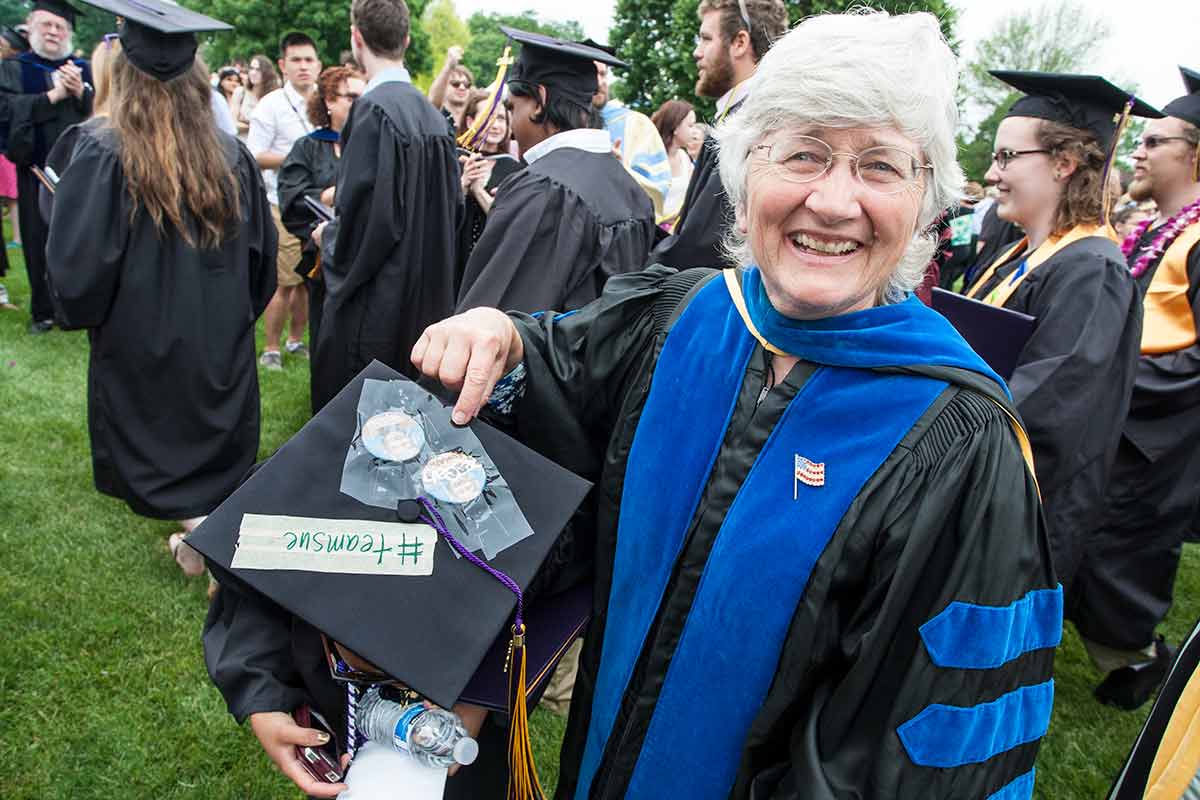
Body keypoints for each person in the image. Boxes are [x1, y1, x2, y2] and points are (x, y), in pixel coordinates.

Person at [414, 12, 1057, 799]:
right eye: (803, 153)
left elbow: (915, 765)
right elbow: (551, 378)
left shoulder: (961, 449)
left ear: (927, 199)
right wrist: (501, 335)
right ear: (747, 167)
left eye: (881, 166)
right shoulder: (678, 321)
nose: (832, 200)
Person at [42, 0, 275, 578]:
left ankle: (227, 559)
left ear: (122, 70)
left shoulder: (100, 150)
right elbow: (261, 269)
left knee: (172, 470)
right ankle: (199, 552)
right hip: (219, 349)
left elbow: (76, 282)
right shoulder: (232, 155)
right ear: (197, 77)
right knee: (211, 468)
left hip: (142, 352)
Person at [964, 71, 1156, 598]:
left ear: (1064, 163)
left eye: (1006, 157)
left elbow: (1048, 409)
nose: (991, 171)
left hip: (1018, 503)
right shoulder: (1021, 252)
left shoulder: (1094, 272)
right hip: (975, 474)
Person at [1074, 66, 1200, 710]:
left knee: (1118, 551)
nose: (1139, 151)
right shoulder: (1155, 228)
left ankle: (1144, 658)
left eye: (1157, 141)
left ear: (1196, 154)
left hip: (1158, 434)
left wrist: (1114, 376)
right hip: (1120, 419)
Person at [307, 0, 462, 413]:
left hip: (377, 304)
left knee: (360, 418)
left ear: (356, 38)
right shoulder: (432, 116)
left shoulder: (374, 111)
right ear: (406, 39)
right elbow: (454, 212)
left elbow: (365, 220)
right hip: (425, 298)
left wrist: (330, 237)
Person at [455, 28, 655, 314]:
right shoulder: (632, 191)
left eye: (513, 107)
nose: (512, 128)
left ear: (539, 100)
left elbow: (488, 322)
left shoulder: (541, 189)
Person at [649, 0, 787, 270]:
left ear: (739, 43)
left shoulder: (752, 124)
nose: (696, 53)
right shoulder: (742, 115)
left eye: (705, 39)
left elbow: (702, 248)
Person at [0, 0, 92, 333]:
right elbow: (6, 112)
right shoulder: (14, 68)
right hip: (35, 170)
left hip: (79, 172)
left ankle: (75, 308)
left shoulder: (83, 67)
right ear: (31, 26)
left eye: (60, 27)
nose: (54, 32)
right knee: (39, 241)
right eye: (47, 25)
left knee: (78, 242)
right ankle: (43, 311)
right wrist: (52, 96)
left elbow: (101, 112)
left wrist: (79, 90)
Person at [277, 64, 365, 398]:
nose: (359, 104)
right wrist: (328, 195)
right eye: (351, 97)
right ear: (329, 101)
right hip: (324, 260)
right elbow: (291, 197)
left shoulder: (372, 144)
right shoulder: (309, 147)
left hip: (364, 257)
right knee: (328, 337)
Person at [247, 31, 320, 370]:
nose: (304, 67)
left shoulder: (324, 100)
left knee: (308, 280)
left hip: (318, 207)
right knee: (284, 284)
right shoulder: (271, 104)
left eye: (309, 60)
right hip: (281, 204)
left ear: (318, 64)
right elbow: (254, 155)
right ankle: (271, 348)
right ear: (283, 65)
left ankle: (296, 340)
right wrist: (298, 156)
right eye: (296, 60)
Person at [455, 88, 522, 293]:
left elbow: (510, 222)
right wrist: (463, 185)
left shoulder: (514, 168)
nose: (496, 125)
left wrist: (478, 191)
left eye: (501, 118)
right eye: (488, 117)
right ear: (469, 122)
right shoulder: (454, 159)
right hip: (454, 259)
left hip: (492, 263)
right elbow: (436, 213)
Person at [593, 55, 673, 221]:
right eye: (592, 74)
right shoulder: (558, 123)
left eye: (603, 74)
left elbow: (658, 192)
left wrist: (618, 170)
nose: (600, 82)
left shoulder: (637, 124)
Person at [651, 98, 697, 228]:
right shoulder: (651, 158)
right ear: (675, 127)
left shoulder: (684, 158)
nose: (694, 131)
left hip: (677, 233)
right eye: (690, 125)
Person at [428, 45, 472, 133]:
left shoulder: (474, 118)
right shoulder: (437, 116)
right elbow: (432, 102)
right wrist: (448, 67)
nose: (462, 87)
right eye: (456, 84)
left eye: (467, 85)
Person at [238, 53, 278, 137]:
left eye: (258, 69)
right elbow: (232, 123)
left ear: (267, 73)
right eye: (251, 68)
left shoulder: (274, 97)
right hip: (242, 144)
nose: (253, 72)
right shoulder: (240, 92)